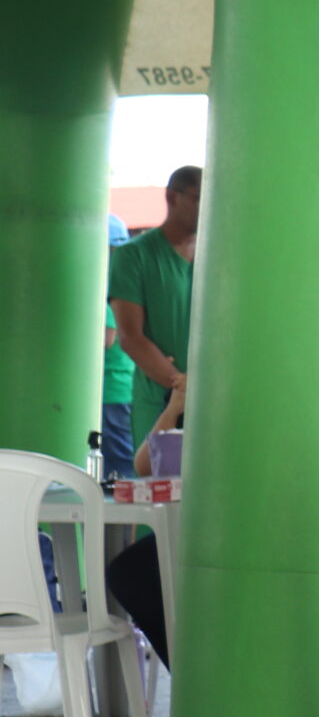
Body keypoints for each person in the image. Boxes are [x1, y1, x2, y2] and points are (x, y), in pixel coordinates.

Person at [109, 165, 200, 450]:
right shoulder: (134, 255)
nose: (209, 208)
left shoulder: (221, 258)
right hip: (158, 403)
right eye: (199, 198)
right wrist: (181, 387)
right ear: (172, 197)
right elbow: (131, 337)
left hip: (215, 401)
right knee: (158, 475)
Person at [101, 218, 135, 481]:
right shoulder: (123, 282)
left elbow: (106, 339)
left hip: (112, 389)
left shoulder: (107, 287)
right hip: (119, 386)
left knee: (121, 466)